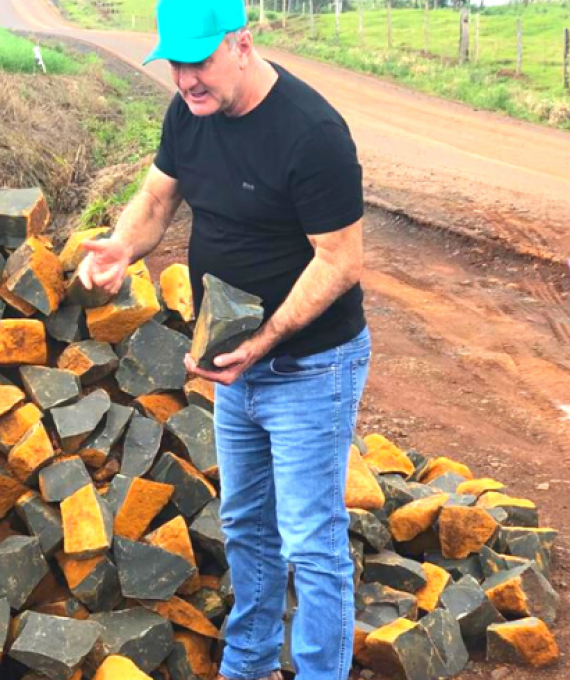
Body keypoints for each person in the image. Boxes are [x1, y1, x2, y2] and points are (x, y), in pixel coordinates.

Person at [76, 0, 368, 678]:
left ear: (240, 43)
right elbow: (155, 201)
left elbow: (340, 260)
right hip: (235, 364)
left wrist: (263, 342)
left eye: (198, 61)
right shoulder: (189, 112)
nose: (185, 80)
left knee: (311, 541)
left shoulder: (312, 132)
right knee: (244, 526)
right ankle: (248, 664)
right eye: (175, 64)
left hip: (311, 367)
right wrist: (121, 246)